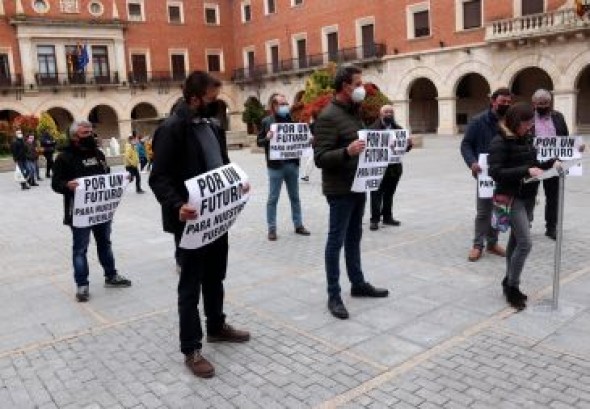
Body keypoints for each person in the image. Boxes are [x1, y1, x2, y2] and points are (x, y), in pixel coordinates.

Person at [149, 71, 250, 379]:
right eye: (211, 99)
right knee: (190, 286)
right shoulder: (171, 129)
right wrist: (177, 206)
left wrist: (238, 184)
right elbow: (158, 177)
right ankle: (191, 348)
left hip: (216, 218)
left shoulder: (212, 125)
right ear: (194, 99)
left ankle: (217, 326)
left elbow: (223, 165)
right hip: (189, 221)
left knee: (215, 276)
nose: (216, 105)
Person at [313, 65, 389, 320]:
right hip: (339, 190)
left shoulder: (354, 112)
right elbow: (320, 158)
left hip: (359, 185)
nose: (361, 88)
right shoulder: (327, 117)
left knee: (354, 236)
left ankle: (357, 284)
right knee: (336, 241)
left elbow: (365, 142)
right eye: (357, 84)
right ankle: (333, 295)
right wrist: (347, 151)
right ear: (345, 86)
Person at [51, 120, 132, 302]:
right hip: (79, 213)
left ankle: (111, 276)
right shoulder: (64, 158)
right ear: (74, 137)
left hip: (101, 211)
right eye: (85, 133)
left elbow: (106, 177)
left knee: (105, 243)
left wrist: (122, 180)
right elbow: (55, 184)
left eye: (91, 132)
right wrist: (66, 185)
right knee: (80, 249)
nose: (90, 136)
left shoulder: (99, 154)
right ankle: (82, 285)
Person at [488, 103, 557, 310]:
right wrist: (527, 170)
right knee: (525, 243)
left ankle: (508, 280)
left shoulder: (526, 138)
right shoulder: (499, 141)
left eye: (531, 124)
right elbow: (495, 172)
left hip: (528, 196)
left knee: (516, 241)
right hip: (511, 197)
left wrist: (550, 164)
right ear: (516, 122)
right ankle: (512, 287)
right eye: (527, 124)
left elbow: (533, 163)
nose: (530, 128)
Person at [460, 88, 512, 262]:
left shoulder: (511, 121)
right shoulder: (478, 121)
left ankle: (492, 243)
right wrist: (472, 163)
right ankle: (477, 245)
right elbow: (466, 145)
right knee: (483, 212)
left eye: (508, 102)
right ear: (493, 101)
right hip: (485, 174)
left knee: (499, 209)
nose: (505, 104)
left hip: (505, 172)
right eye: (502, 101)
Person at [531, 89, 585, 240]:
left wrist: (576, 147)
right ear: (533, 104)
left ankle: (551, 227)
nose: (543, 106)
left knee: (553, 197)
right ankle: (526, 224)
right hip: (533, 162)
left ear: (550, 103)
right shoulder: (528, 118)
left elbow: (565, 139)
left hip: (555, 163)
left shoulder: (558, 117)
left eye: (546, 103)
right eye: (540, 104)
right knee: (529, 194)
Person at [256, 93, 310, 241]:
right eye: (282, 104)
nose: (285, 106)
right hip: (275, 167)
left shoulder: (292, 121)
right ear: (274, 106)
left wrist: (308, 140)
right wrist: (266, 138)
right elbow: (258, 142)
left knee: (295, 197)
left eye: (286, 103)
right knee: (273, 198)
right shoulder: (267, 121)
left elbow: (298, 140)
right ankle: (272, 228)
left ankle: (298, 225)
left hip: (292, 165)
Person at [369, 105, 413, 231]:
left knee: (389, 193)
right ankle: (375, 219)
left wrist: (408, 145)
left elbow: (403, 149)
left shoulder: (399, 130)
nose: (389, 114)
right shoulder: (373, 129)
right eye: (386, 112)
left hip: (394, 168)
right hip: (378, 168)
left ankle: (387, 217)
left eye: (391, 112)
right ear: (380, 114)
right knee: (376, 194)